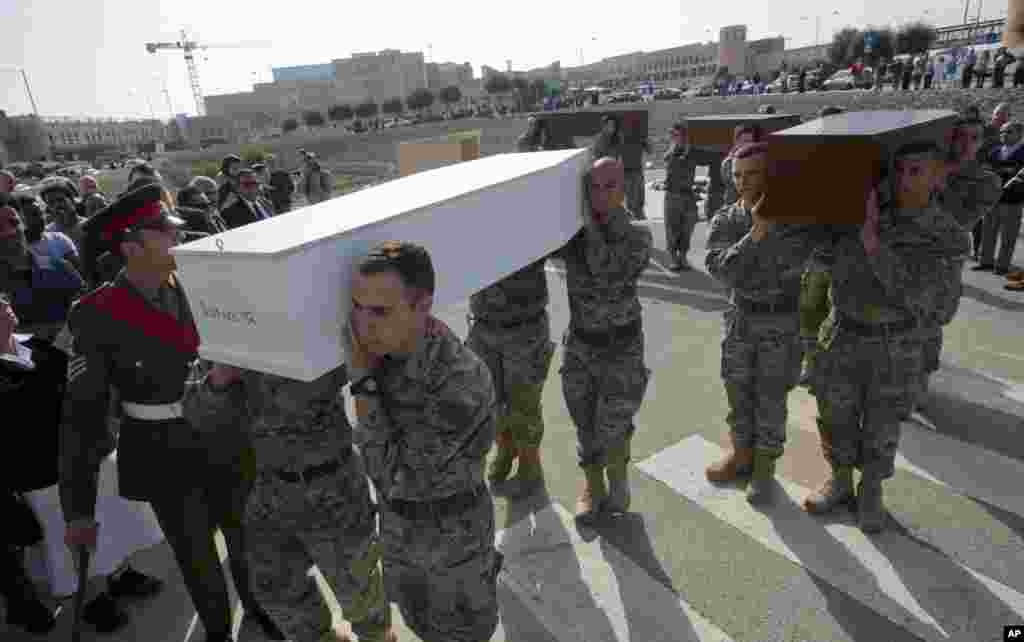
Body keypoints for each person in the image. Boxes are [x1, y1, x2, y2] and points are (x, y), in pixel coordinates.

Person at [60, 183, 277, 642]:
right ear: (131, 247)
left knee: (248, 538)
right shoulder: (97, 313)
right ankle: (218, 633)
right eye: (165, 233)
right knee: (197, 556)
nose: (178, 239)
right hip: (163, 450)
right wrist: (78, 510)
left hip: (224, 434)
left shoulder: (201, 286)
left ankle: (259, 613)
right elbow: (82, 419)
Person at [803, 141, 970, 533]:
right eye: (899, 171)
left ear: (936, 176)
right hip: (842, 335)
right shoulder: (865, 213)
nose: (905, 180)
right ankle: (840, 479)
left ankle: (872, 490)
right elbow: (818, 261)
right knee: (835, 415)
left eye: (916, 171)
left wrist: (873, 245)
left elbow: (932, 304)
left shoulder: (947, 235)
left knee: (882, 424)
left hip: (895, 346)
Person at [347, 241, 501, 642]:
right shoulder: (387, 355)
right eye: (357, 307)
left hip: (454, 551)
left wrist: (362, 384)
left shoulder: (458, 379)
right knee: (418, 625)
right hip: (402, 536)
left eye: (379, 311)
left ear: (422, 306)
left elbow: (389, 473)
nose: (363, 325)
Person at [704, 142, 817, 504]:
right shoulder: (726, 220)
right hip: (741, 320)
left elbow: (804, 265)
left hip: (780, 323)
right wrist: (755, 235)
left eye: (752, 173)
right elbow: (721, 269)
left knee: (770, 398)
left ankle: (765, 468)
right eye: (738, 175)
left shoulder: (796, 220)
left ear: (769, 174)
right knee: (737, 392)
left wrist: (768, 230)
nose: (744, 181)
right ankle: (741, 455)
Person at [551, 158, 652, 523]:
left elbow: (608, 269)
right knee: (584, 421)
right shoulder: (573, 235)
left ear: (623, 189)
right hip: (581, 344)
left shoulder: (639, 235)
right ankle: (593, 487)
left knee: (614, 424)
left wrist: (587, 226)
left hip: (622, 346)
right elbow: (533, 244)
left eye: (609, 186)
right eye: (593, 188)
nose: (601, 195)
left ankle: (618, 479)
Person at [466, 247, 554, 497]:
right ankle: (506, 448)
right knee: (488, 400)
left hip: (525, 325)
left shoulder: (524, 214)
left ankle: (530, 466)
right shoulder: (468, 215)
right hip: (483, 323)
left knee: (524, 403)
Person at [0, 194, 86, 342]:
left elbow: (86, 316)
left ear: (23, 223)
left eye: (14, 222)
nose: (10, 232)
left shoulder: (59, 267)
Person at [976, 120, 1024, 275]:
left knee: (1008, 235)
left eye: (1009, 132)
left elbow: (1015, 173)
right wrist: (1005, 170)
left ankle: (1002, 266)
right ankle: (986, 262)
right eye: (1002, 132)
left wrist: (1001, 171)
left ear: (1019, 134)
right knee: (988, 232)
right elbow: (986, 171)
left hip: (1012, 200)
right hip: (993, 199)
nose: (1004, 135)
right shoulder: (995, 151)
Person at [663, 121, 702, 271]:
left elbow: (697, 160)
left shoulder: (692, 151)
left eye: (675, 135)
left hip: (688, 194)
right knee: (672, 229)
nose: (672, 137)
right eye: (671, 134)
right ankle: (674, 258)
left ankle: (683, 256)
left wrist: (687, 149)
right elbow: (672, 164)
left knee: (687, 227)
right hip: (672, 194)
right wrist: (678, 150)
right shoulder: (671, 152)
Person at [721, 123, 764, 208]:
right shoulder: (729, 163)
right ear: (736, 143)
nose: (746, 145)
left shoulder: (761, 158)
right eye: (743, 141)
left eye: (749, 141)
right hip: (735, 204)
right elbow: (736, 186)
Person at [40, 177, 87, 253]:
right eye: (51, 203)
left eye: (60, 200)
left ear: (72, 200)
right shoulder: (47, 234)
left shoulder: (88, 225)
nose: (57, 205)